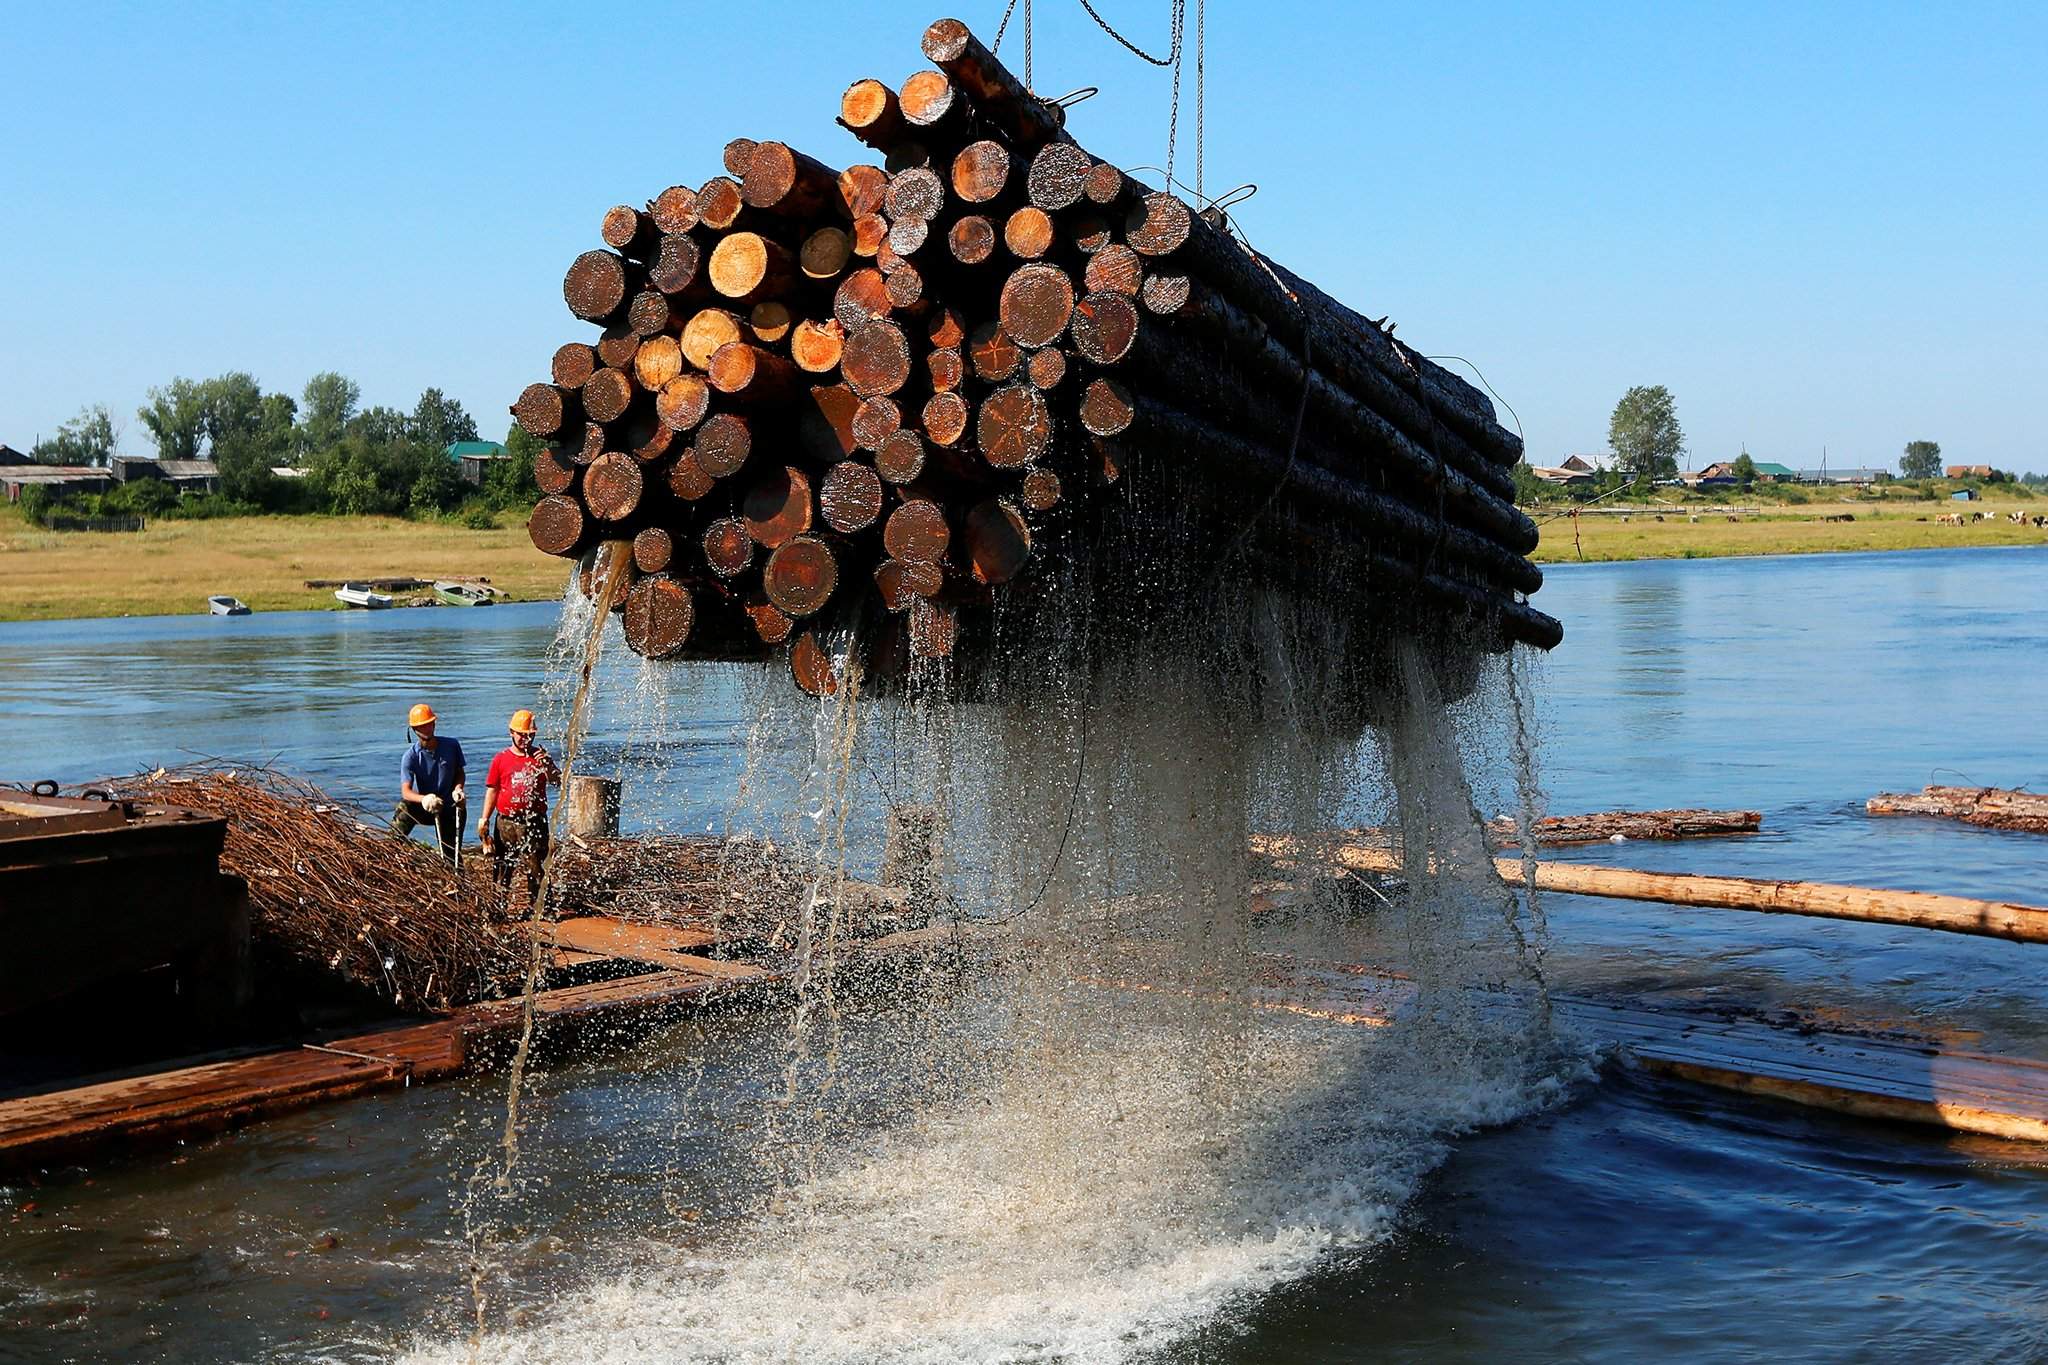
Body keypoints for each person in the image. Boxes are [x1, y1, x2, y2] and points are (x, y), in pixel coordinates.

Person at [477, 708, 558, 910]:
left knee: (537, 866)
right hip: (506, 822)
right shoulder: (501, 759)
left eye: (530, 735)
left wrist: (547, 766)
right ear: (511, 733)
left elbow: (557, 781)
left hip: (534, 820)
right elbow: (493, 790)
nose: (526, 739)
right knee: (503, 866)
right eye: (522, 735)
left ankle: (541, 908)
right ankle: (498, 907)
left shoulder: (541, 758)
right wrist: (484, 820)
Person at [391, 702, 465, 861]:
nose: (427, 729)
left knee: (451, 857)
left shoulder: (452, 745)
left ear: (434, 724)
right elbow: (406, 791)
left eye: (429, 724)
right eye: (422, 726)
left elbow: (460, 773)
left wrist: (458, 789)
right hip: (428, 806)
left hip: (450, 806)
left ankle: (455, 879)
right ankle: (391, 851)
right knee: (404, 808)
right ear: (414, 730)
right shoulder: (410, 756)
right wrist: (424, 799)